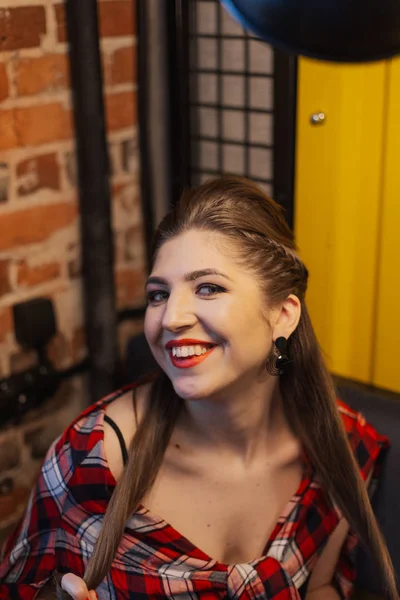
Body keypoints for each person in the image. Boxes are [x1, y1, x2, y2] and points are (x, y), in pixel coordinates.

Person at [0, 176, 397, 600]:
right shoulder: (89, 458)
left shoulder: (339, 445)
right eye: (158, 294)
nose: (171, 317)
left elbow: (319, 586)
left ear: (283, 313)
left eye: (208, 288)